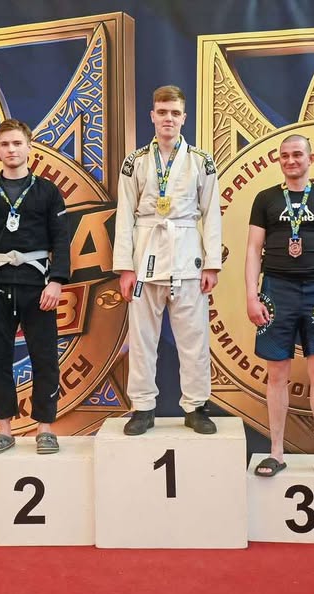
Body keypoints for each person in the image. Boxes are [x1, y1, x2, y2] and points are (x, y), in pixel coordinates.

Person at [112, 85, 223, 436]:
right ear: (152, 116)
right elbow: (124, 214)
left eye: (175, 113)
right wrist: (125, 267)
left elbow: (212, 213)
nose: (168, 119)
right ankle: (143, 407)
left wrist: (211, 263)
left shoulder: (201, 161)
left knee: (194, 338)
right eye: (162, 112)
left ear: (184, 117)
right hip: (146, 255)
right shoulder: (135, 161)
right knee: (142, 338)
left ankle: (196, 406)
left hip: (187, 254)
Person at [0, 118, 71, 455]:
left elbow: (61, 240)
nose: (12, 150)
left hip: (38, 287)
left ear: (29, 147)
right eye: (5, 144)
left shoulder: (47, 191)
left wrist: (57, 281)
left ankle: (45, 429)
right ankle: (4, 430)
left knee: (45, 357)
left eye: (17, 143)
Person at [245, 134, 314, 478]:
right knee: (277, 374)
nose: (290, 160)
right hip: (276, 290)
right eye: (285, 156)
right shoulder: (265, 198)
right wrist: (251, 295)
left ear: (310, 159)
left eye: (297, 155)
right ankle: (276, 453)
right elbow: (253, 250)